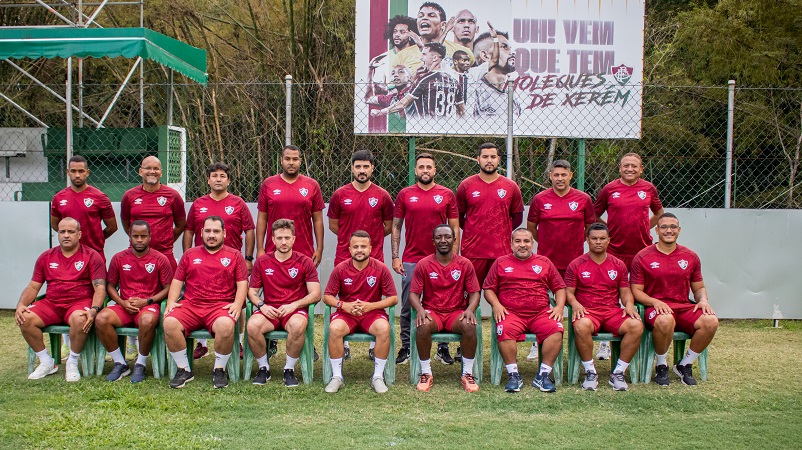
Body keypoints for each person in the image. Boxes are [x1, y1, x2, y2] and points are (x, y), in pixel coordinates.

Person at [631, 213, 718, 386]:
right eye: (664, 227)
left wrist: (703, 301)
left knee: (711, 321)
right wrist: (654, 302)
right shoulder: (643, 256)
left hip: (683, 307)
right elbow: (636, 291)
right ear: (656, 230)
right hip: (655, 309)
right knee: (665, 320)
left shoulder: (690, 256)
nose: (668, 230)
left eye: (672, 227)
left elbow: (699, 287)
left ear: (679, 230)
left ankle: (684, 364)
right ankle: (662, 365)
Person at [16, 218, 106, 382]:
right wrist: (21, 305)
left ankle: (72, 361)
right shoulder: (46, 257)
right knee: (25, 318)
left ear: (79, 234)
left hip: (79, 302)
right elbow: (33, 287)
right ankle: (46, 361)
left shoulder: (92, 256)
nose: (66, 235)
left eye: (71, 232)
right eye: (62, 232)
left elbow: (99, 287)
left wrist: (94, 309)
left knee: (80, 319)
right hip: (52, 304)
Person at [163, 216, 248, 389]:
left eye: (216, 231)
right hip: (191, 306)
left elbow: (242, 284)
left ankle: (219, 369)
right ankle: (184, 369)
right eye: (208, 231)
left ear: (224, 233)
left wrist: (238, 304)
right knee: (170, 322)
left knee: (225, 326)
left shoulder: (235, 255)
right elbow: (177, 282)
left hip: (219, 307)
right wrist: (171, 301)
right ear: (201, 233)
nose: (211, 235)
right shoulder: (190, 254)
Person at [593, 152, 664, 360]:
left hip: (641, 251)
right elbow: (595, 214)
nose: (630, 169)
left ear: (641, 169)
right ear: (619, 168)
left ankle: (648, 338)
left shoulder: (648, 188)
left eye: (634, 166)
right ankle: (605, 342)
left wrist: (645, 228)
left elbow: (660, 214)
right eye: (626, 165)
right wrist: (608, 232)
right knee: (610, 294)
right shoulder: (610, 189)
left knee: (643, 292)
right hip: (614, 251)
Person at [391, 153, 459, 365]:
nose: (425, 170)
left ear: (435, 170)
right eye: (421, 167)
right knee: (407, 305)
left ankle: (442, 348)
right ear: (415, 170)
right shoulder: (405, 194)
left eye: (429, 167)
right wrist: (395, 256)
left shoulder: (447, 194)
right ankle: (406, 347)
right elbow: (396, 226)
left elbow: (454, 227)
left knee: (444, 303)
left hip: (442, 260)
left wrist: (454, 256)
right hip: (411, 258)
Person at [184, 162, 255, 360]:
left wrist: (248, 258)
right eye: (214, 175)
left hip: (231, 264)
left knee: (237, 303)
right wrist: (187, 256)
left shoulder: (238, 203)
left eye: (222, 176)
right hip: (202, 265)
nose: (218, 179)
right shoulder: (198, 204)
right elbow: (189, 230)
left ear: (228, 180)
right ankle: (202, 344)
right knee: (200, 300)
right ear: (208, 180)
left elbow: (249, 230)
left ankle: (238, 341)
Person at [525, 159, 594, 361]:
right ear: (550, 176)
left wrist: (574, 243)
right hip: (547, 264)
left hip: (574, 264)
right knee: (543, 304)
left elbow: (590, 228)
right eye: (556, 175)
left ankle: (590, 343)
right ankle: (538, 343)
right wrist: (547, 245)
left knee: (582, 304)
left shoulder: (583, 199)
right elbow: (531, 229)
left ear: (571, 175)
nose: (560, 178)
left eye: (564, 175)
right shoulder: (540, 199)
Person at [328, 149, 393, 361]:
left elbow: (389, 226)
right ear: (352, 168)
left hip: (374, 257)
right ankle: (343, 343)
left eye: (366, 166)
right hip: (344, 257)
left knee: (376, 297)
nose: (362, 170)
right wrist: (353, 245)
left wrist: (368, 245)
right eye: (358, 166)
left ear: (372, 169)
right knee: (341, 295)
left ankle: (375, 345)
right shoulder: (340, 194)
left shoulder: (382, 195)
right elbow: (333, 225)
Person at [50, 155, 117, 359]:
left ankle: (99, 343)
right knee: (65, 295)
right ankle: (68, 341)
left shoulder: (99, 197)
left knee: (96, 296)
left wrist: (95, 241)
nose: (77, 175)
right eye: (73, 171)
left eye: (81, 171)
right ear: (68, 172)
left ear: (87, 172)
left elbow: (112, 226)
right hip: (67, 259)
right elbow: (56, 225)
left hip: (94, 258)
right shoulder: (59, 197)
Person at [483, 228, 566, 393]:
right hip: (511, 313)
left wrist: (559, 306)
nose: (522, 245)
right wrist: (496, 305)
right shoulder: (500, 262)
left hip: (540, 313)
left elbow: (560, 288)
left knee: (556, 330)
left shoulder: (544, 262)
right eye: (518, 241)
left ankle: (543, 375)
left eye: (526, 241)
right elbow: (488, 289)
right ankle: (514, 375)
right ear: (511, 244)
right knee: (503, 328)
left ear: (532, 243)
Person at [564, 223, 643, 391]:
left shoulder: (619, 264)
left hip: (612, 311)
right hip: (588, 311)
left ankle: (618, 373)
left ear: (609, 241)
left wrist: (629, 304)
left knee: (636, 325)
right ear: (587, 240)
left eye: (602, 238)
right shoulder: (576, 264)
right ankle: (590, 372)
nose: (598, 242)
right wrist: (575, 303)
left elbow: (625, 291)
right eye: (594, 238)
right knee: (580, 325)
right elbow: (568, 292)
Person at [95, 220, 173, 383]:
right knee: (101, 319)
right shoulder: (118, 258)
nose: (139, 240)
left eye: (143, 236)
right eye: (135, 236)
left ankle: (140, 363)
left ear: (150, 237)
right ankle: (120, 362)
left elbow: (168, 288)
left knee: (147, 320)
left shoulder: (160, 259)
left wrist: (147, 301)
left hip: (148, 305)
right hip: (124, 306)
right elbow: (110, 286)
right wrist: (122, 302)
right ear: (129, 237)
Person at [246, 219, 321, 387]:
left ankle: (289, 369)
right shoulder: (262, 261)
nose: (284, 242)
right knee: (252, 326)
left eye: (287, 238)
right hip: (269, 309)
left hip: (293, 310)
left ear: (294, 239)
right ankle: (264, 367)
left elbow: (316, 294)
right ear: (273, 239)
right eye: (279, 238)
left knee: (297, 325)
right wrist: (261, 306)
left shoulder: (305, 261)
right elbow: (252, 291)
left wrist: (294, 305)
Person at [322, 231, 398, 393]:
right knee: (334, 328)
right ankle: (337, 377)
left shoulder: (381, 268)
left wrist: (370, 306)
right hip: (346, 314)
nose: (359, 250)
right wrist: (344, 305)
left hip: (372, 314)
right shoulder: (340, 269)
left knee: (384, 329)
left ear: (370, 248)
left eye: (363, 246)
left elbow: (393, 298)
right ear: (349, 249)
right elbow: (327, 296)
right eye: (355, 247)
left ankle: (377, 376)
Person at [409, 224, 480, 392]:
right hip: (432, 311)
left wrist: (470, 310)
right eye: (439, 237)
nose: (443, 240)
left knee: (470, 326)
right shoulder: (424, 264)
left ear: (454, 240)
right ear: (433, 241)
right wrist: (419, 310)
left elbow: (475, 292)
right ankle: (426, 373)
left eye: (447, 237)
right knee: (422, 325)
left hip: (456, 312)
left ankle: (467, 374)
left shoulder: (465, 264)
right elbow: (413, 294)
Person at [121, 155, 186, 272]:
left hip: (165, 253)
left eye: (156, 169)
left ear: (161, 172)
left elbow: (181, 225)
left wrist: (166, 239)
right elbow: (126, 223)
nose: (152, 171)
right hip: (137, 254)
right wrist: (139, 240)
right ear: (140, 171)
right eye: (148, 168)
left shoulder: (173, 195)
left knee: (169, 289)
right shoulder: (129, 196)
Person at [371, 43, 464, 117]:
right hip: (446, 127)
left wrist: (381, 112)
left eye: (424, 54)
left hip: (428, 126)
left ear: (435, 58)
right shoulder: (454, 81)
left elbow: (403, 104)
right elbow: (461, 111)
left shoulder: (425, 79)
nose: (421, 58)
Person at [394, 2, 475, 71]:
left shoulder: (463, 52)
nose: (424, 18)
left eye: (431, 15)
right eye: (420, 16)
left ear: (443, 24)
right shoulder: (401, 56)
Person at [473, 30, 521, 117]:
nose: (512, 52)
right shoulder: (474, 92)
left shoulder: (512, 98)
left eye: (511, 48)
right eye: (504, 47)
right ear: (485, 56)